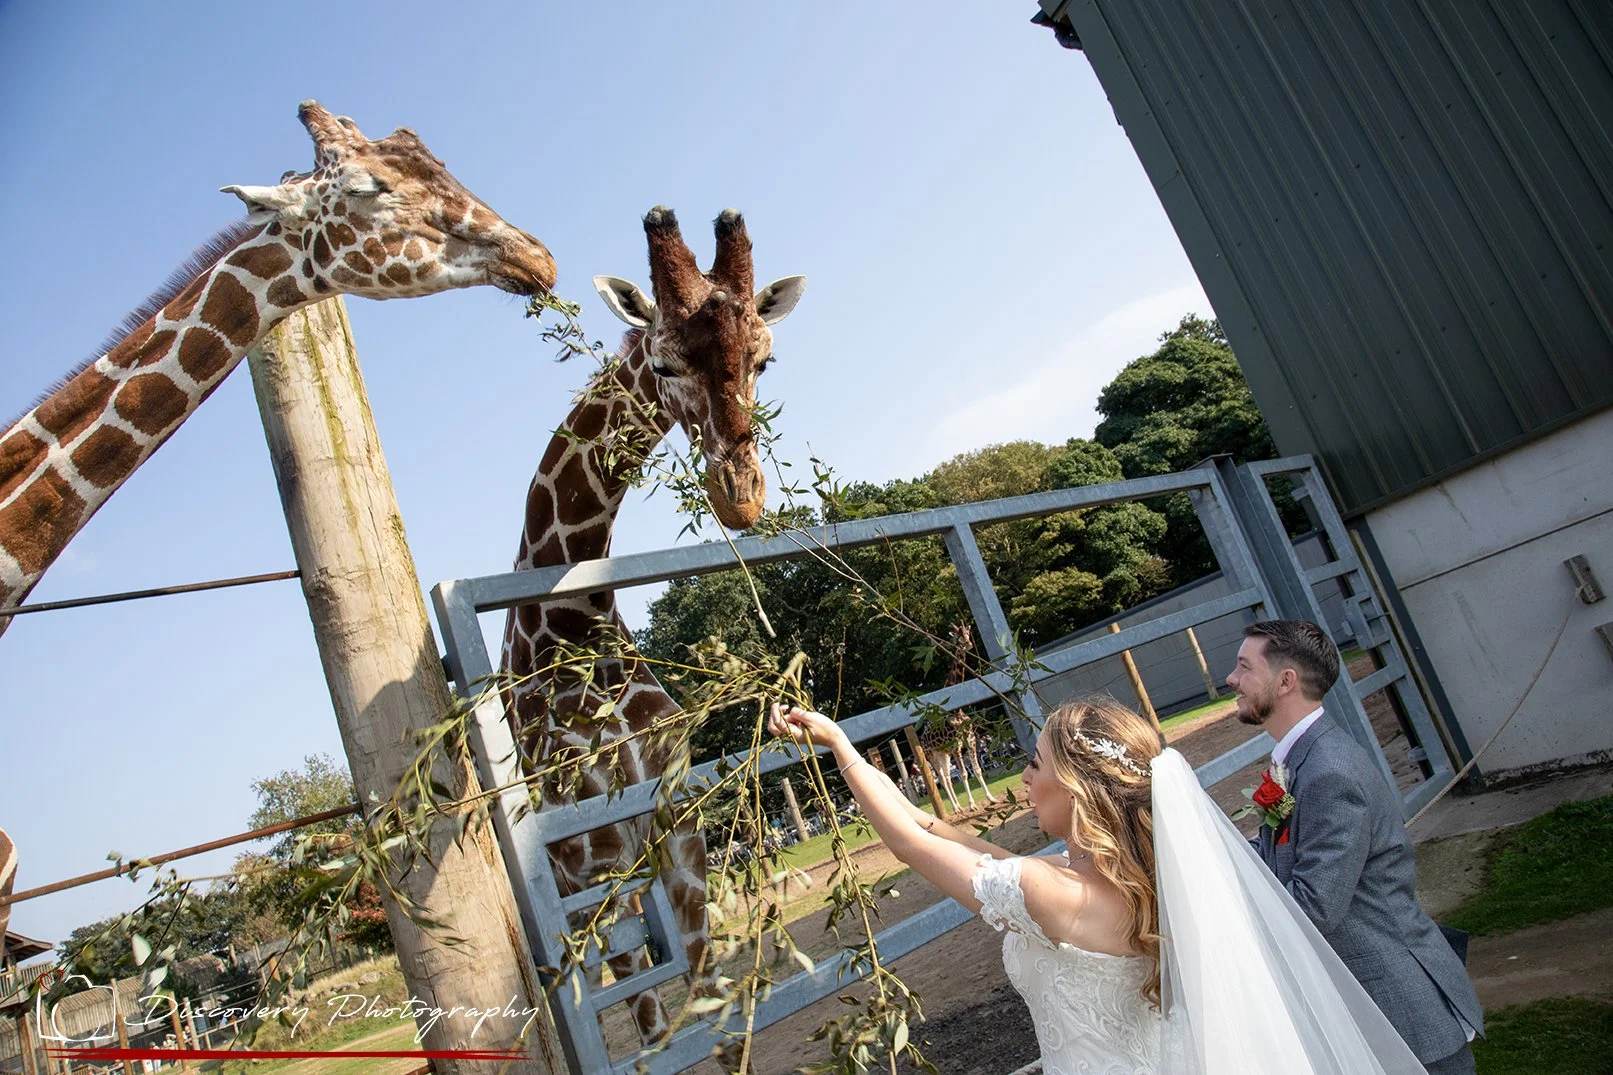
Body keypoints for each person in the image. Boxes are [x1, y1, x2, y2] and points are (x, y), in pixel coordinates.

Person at [770, 698, 1430, 1074]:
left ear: (1077, 786)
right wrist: (841, 744)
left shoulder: (1044, 887)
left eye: (1035, 764)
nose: (1024, 781)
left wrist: (839, 747)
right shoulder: (1119, 877)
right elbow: (926, 823)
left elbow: (910, 843)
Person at [1227, 619, 1484, 1075]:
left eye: (1244, 667)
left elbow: (1313, 907)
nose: (1231, 679)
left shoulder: (1329, 772)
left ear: (1285, 682)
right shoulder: (1303, 758)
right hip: (1370, 1005)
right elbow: (1285, 857)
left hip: (1399, 1009)